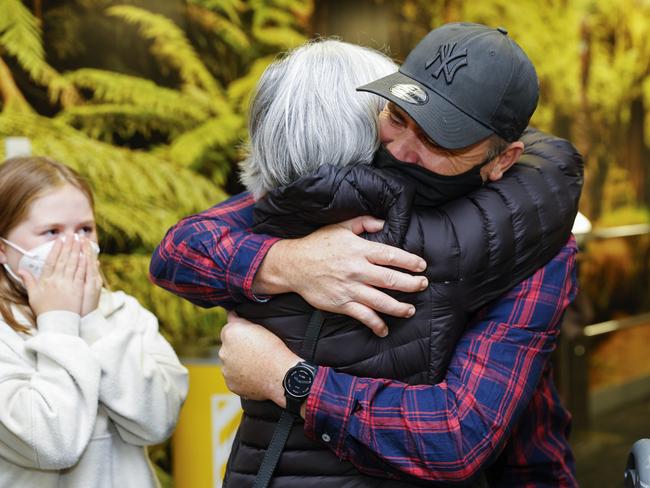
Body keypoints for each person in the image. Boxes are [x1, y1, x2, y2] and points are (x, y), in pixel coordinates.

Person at [151, 23, 581, 486]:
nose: (400, 150)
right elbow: (181, 247)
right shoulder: (359, 183)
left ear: (502, 160)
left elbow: (455, 436)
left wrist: (283, 376)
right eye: (397, 115)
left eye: (440, 139)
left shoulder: (535, 244)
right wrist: (288, 263)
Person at [0, 156, 188, 488]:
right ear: (3, 248)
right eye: (51, 232)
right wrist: (59, 320)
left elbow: (158, 421)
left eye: (85, 229)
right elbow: (52, 444)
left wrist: (91, 322)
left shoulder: (125, 314)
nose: (74, 245)